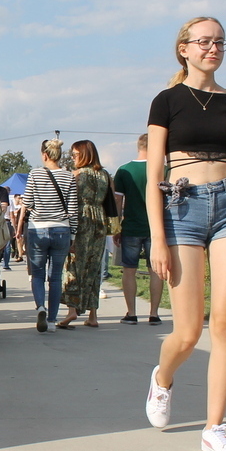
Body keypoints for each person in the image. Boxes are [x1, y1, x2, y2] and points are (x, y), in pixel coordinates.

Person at [143, 16, 226, 451]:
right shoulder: (167, 101)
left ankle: (215, 427)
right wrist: (157, 238)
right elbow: (154, 174)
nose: (213, 48)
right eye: (204, 42)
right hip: (182, 207)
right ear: (184, 49)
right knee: (189, 331)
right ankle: (163, 378)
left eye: (220, 42)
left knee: (225, 321)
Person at [22, 139, 78, 332]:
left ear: (44, 155)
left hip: (38, 228)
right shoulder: (68, 176)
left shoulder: (35, 174)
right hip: (61, 229)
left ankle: (40, 307)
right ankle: (53, 320)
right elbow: (73, 209)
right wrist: (73, 237)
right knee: (55, 277)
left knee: (37, 274)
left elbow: (27, 201)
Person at [113, 134, 165, 324]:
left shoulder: (124, 170)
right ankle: (154, 313)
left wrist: (117, 226)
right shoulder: (162, 169)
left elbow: (118, 200)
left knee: (129, 270)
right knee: (156, 271)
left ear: (139, 146)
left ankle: (132, 312)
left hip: (131, 226)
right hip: (156, 228)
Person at [58, 140, 109, 329]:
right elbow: (113, 202)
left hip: (81, 220)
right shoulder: (104, 175)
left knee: (73, 263)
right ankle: (93, 314)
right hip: (100, 221)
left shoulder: (77, 175)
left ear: (83, 155)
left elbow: (69, 202)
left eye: (74, 154)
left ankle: (72, 310)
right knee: (94, 266)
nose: (72, 158)